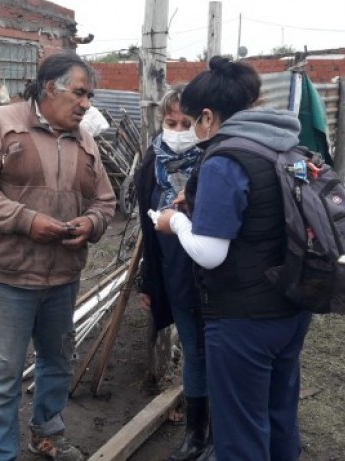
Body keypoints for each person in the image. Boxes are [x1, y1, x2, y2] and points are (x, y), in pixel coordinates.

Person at [0, 52, 116, 461]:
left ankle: (47, 433)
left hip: (63, 276)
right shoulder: (2, 123)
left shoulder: (86, 140)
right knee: (3, 372)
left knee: (58, 361)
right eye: (79, 93)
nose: (86, 104)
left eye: (90, 95)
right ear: (50, 88)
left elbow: (104, 201)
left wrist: (91, 225)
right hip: (8, 276)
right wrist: (26, 220)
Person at [154, 56, 312, 461]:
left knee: (240, 431)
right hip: (291, 305)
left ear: (208, 116)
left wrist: (176, 223)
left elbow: (210, 253)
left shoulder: (225, 159)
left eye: (190, 121)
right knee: (278, 418)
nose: (190, 130)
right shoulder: (283, 147)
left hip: (244, 319)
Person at [134, 84, 210, 461]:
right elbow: (147, 230)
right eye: (171, 121)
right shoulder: (152, 161)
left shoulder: (217, 159)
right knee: (195, 353)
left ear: (203, 122)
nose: (179, 131)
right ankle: (196, 435)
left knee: (221, 354)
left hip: (217, 275)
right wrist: (149, 281)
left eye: (187, 122)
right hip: (175, 271)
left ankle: (221, 432)